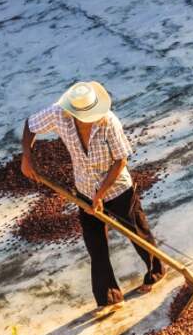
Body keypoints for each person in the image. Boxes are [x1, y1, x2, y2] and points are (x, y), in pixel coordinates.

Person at [20, 81, 164, 313]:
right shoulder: (59, 114)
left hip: (116, 188)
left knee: (137, 231)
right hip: (84, 189)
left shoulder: (109, 122)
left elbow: (120, 161)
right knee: (95, 244)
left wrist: (101, 195)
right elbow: (30, 125)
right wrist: (27, 157)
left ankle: (155, 271)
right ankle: (109, 297)